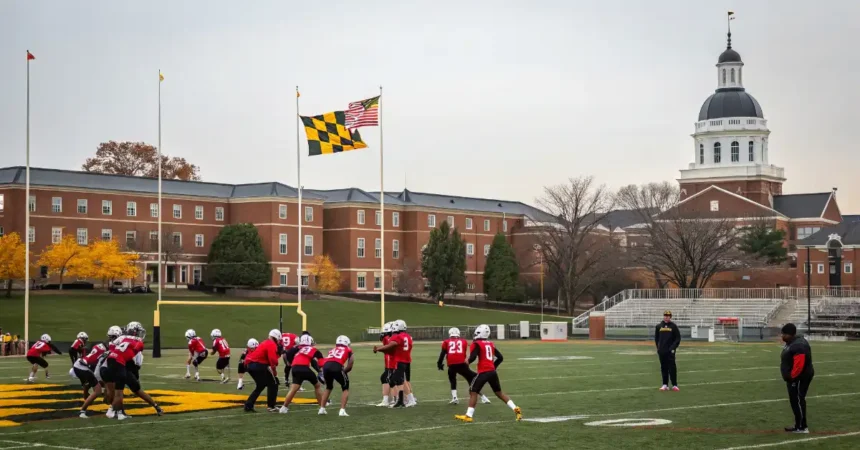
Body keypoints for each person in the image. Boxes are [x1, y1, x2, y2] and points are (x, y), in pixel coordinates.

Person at [455, 324, 521, 423]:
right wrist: (493, 366)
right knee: (499, 393)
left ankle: (468, 415)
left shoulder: (477, 343)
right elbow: (500, 357)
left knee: (473, 391)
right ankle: (516, 409)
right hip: (492, 372)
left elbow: (473, 357)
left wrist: (467, 362)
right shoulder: (490, 344)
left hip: (484, 372)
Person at [100, 321, 163, 420]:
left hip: (109, 362)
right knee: (121, 391)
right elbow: (135, 364)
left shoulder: (122, 338)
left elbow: (112, 347)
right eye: (138, 331)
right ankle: (116, 412)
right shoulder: (139, 343)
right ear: (134, 332)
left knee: (117, 390)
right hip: (121, 364)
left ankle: (114, 410)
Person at [77, 326, 122, 418]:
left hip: (98, 369)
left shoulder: (105, 345)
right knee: (105, 391)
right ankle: (84, 410)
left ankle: (110, 406)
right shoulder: (112, 346)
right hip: (102, 370)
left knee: (106, 390)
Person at [438, 327, 490, 405]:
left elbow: (442, 354)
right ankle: (484, 397)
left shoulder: (446, 342)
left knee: (452, 380)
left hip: (451, 365)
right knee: (471, 381)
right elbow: (463, 352)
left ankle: (455, 398)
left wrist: (439, 364)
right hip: (462, 364)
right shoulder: (463, 341)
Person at [780, 323, 814, 434]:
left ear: (790, 334)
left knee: (798, 399)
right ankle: (798, 424)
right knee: (794, 400)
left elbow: (799, 366)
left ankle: (802, 426)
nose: (782, 336)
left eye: (784, 334)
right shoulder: (791, 343)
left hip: (799, 377)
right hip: (793, 378)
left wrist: (792, 378)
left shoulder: (799, 345)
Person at [279, 334, 323, 414]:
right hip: (304, 368)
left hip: (295, 368)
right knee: (317, 385)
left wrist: (291, 362)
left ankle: (284, 408)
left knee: (294, 388)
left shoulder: (296, 348)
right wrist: (321, 370)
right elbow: (320, 359)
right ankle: (321, 408)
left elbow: (288, 354)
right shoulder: (313, 349)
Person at [243, 329, 281, 412]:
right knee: (274, 383)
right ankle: (271, 406)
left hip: (250, 365)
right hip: (258, 365)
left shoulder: (265, 342)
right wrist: (274, 370)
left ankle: (248, 405)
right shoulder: (271, 344)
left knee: (261, 385)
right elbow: (272, 360)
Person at [317, 335, 354, 417]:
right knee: (345, 388)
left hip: (326, 366)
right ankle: (342, 410)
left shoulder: (333, 349)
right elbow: (350, 364)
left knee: (328, 387)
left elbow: (326, 360)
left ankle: (322, 409)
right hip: (337, 366)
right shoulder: (348, 349)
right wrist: (344, 372)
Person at [655, 310, 681, 391]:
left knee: (672, 367)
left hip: (670, 351)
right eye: (665, 315)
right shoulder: (659, 326)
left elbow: (678, 338)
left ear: (670, 317)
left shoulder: (673, 326)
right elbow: (656, 338)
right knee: (664, 367)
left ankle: (674, 385)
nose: (666, 317)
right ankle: (665, 384)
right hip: (662, 351)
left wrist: (673, 348)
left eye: (668, 316)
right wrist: (658, 348)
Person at [375, 322, 395, 407]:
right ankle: (386, 400)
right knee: (384, 378)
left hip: (392, 362)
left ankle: (395, 400)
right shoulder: (391, 337)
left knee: (391, 380)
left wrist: (378, 349)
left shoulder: (389, 338)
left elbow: (389, 348)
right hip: (390, 362)